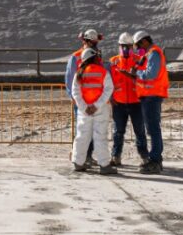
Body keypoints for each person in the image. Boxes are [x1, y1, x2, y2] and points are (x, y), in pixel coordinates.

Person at [70, 48, 117, 174]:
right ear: (94, 58)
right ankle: (104, 165)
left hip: (85, 111)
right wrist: (96, 105)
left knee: (82, 136)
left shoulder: (79, 73)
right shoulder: (102, 72)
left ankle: (78, 162)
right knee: (100, 137)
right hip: (100, 110)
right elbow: (108, 89)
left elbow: (76, 92)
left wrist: (85, 107)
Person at [129, 30, 169, 174]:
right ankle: (156, 159)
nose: (138, 49)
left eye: (138, 45)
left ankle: (155, 160)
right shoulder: (149, 54)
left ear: (144, 41)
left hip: (152, 96)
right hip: (149, 96)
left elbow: (151, 74)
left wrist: (137, 73)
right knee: (152, 129)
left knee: (153, 129)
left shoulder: (154, 53)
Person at [108, 32, 149, 167]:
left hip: (136, 102)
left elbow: (145, 79)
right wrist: (110, 98)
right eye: (123, 46)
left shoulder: (140, 60)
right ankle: (116, 156)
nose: (126, 49)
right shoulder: (113, 62)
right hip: (118, 103)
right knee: (118, 132)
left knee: (139, 131)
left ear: (133, 46)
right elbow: (107, 83)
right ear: (119, 46)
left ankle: (144, 157)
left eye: (128, 46)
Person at [65, 29, 102, 163]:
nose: (94, 45)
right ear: (85, 41)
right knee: (82, 131)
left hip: (94, 101)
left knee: (92, 130)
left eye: (95, 43)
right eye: (92, 43)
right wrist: (75, 99)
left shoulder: (96, 57)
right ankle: (77, 156)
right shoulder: (76, 57)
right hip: (81, 101)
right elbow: (70, 80)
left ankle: (87, 156)